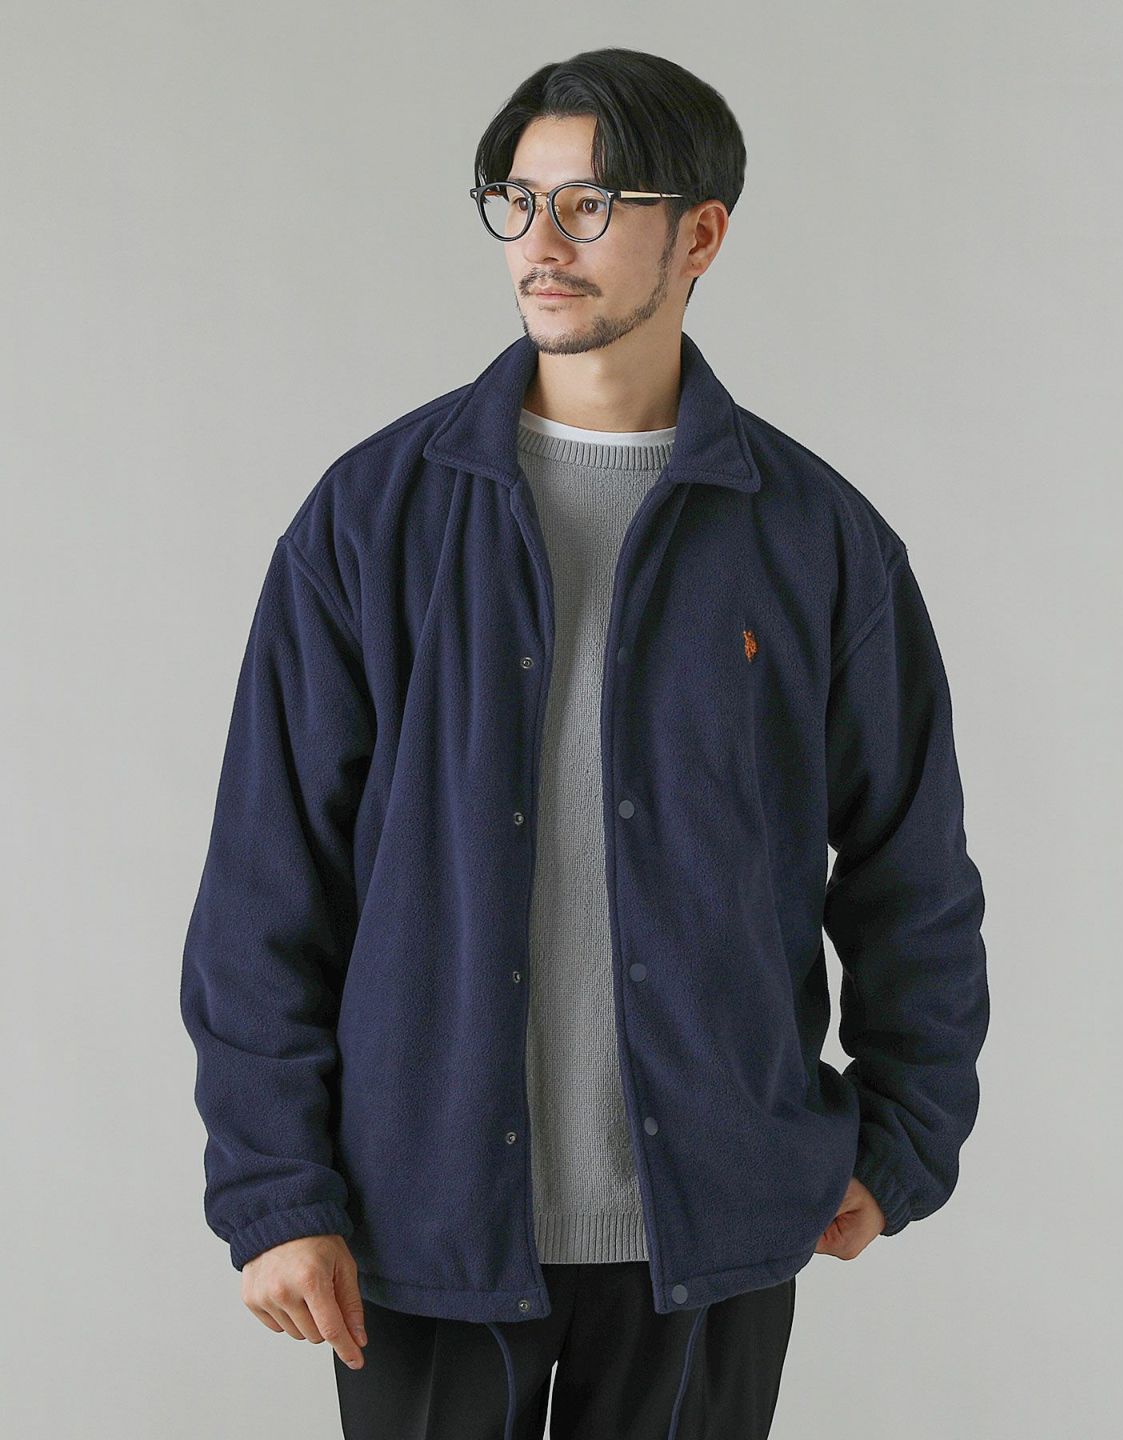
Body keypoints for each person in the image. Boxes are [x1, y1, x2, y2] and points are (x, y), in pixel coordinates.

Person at [180, 46, 989, 1440]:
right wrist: (273, 1191)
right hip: (422, 1226)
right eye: (518, 200)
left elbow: (912, 871)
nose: (541, 243)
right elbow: (266, 883)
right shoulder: (372, 521)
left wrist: (906, 1135)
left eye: (592, 205)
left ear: (702, 236)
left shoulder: (817, 541)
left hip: (710, 1234)